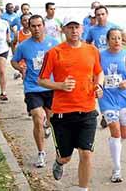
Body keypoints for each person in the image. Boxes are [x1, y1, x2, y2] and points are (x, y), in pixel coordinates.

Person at [38, 16, 104, 191]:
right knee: (66, 156)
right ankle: (60, 161)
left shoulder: (92, 51)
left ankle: (83, 189)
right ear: (63, 30)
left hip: (87, 110)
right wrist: (59, 85)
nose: (74, 31)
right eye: (70, 27)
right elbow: (42, 80)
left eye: (77, 27)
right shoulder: (54, 52)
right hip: (62, 113)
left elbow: (99, 72)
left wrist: (99, 86)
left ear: (82, 29)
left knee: (86, 154)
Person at [11, 15, 58, 168]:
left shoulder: (53, 43)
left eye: (39, 25)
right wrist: (20, 68)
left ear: (43, 26)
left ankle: (47, 124)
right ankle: (41, 153)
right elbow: (14, 60)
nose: (36, 29)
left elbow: (62, 62)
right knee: (37, 117)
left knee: (52, 120)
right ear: (29, 27)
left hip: (50, 87)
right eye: (33, 26)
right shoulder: (24, 46)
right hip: (33, 87)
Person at [99, 28, 126, 183]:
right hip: (107, 99)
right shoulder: (100, 56)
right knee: (116, 133)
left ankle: (115, 145)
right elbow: (94, 73)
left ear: (123, 40)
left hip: (124, 98)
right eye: (113, 38)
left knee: (124, 134)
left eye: (119, 38)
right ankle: (116, 169)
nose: (116, 41)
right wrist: (98, 86)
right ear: (107, 40)